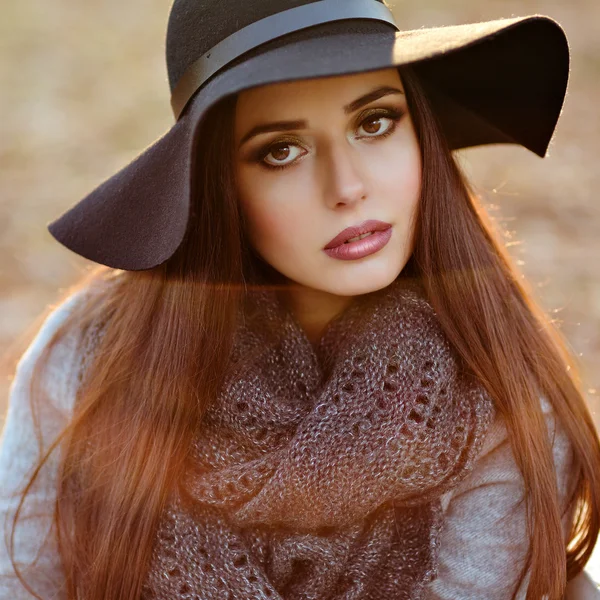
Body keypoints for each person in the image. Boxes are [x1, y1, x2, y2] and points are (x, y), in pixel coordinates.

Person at [1, 1, 599, 598]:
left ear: (422, 131)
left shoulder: (495, 390)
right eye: (281, 150)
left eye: (374, 123)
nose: (347, 188)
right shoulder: (92, 358)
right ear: (218, 185)